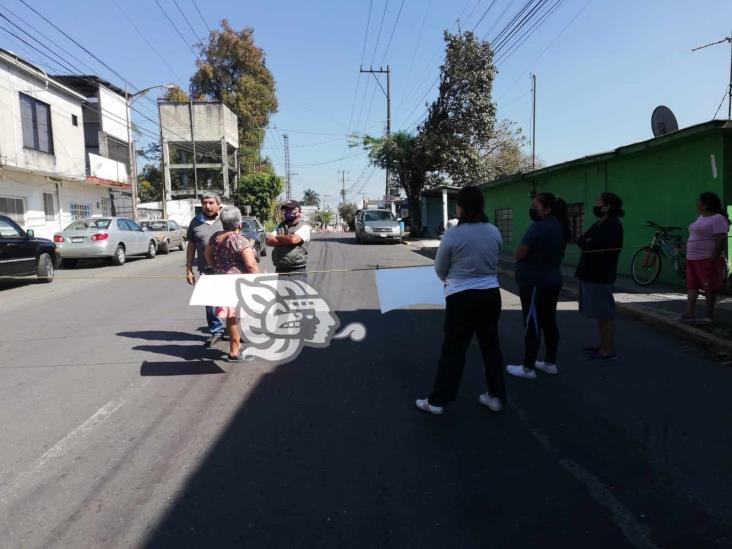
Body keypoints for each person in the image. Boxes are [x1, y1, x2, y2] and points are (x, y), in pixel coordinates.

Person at [416, 186, 506, 415]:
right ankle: (495, 396)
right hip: (491, 294)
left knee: (454, 350)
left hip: (461, 297)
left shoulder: (454, 234)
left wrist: (451, 281)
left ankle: (437, 402)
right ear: (482, 206)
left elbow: (439, 267)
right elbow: (495, 259)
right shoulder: (494, 231)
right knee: (491, 347)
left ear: (462, 207)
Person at [507, 193, 569, 379]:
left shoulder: (539, 227)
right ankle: (550, 362)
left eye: (535, 206)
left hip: (535, 282)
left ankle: (527, 367)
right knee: (548, 321)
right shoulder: (559, 226)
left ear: (547, 209)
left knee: (532, 322)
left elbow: (520, 253)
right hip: (552, 279)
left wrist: (516, 254)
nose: (532, 210)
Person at [204, 207, 260, 361]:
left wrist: (217, 267)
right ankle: (234, 351)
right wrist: (259, 281)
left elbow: (207, 255)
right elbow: (250, 264)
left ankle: (236, 346)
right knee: (234, 317)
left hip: (221, 280)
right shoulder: (239, 239)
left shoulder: (215, 237)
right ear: (238, 222)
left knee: (231, 317)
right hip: (237, 283)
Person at [575, 192, 624, 361]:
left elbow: (593, 245)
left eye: (599, 202)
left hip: (600, 274)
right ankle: (601, 345)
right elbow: (582, 241)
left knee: (606, 313)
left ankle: (607, 350)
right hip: (590, 272)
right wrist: (587, 243)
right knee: (600, 313)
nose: (596, 205)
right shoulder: (600, 223)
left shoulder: (612, 225)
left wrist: (588, 243)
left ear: (608, 206)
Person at [682, 191, 730, 324]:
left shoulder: (718, 219)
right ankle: (689, 312)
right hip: (692, 258)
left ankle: (708, 316)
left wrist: (713, 259)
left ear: (706, 204)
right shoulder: (701, 217)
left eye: (699, 201)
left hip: (707, 258)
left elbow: (721, 241)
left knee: (710, 288)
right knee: (692, 285)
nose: (697, 204)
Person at [186, 192, 225, 347]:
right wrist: (188, 269)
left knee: (232, 303)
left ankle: (236, 331)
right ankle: (216, 331)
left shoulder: (225, 219)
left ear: (218, 205)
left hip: (228, 270)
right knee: (210, 304)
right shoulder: (195, 222)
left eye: (211, 203)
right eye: (204, 203)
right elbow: (191, 247)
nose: (207, 206)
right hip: (207, 270)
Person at [267, 200, 311, 283]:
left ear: (298, 211)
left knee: (297, 296)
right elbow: (269, 240)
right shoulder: (280, 226)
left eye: (290, 209)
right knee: (281, 296)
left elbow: (293, 239)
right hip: (280, 270)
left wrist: (278, 238)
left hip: (297, 271)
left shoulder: (304, 227)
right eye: (286, 210)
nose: (287, 212)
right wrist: (285, 239)